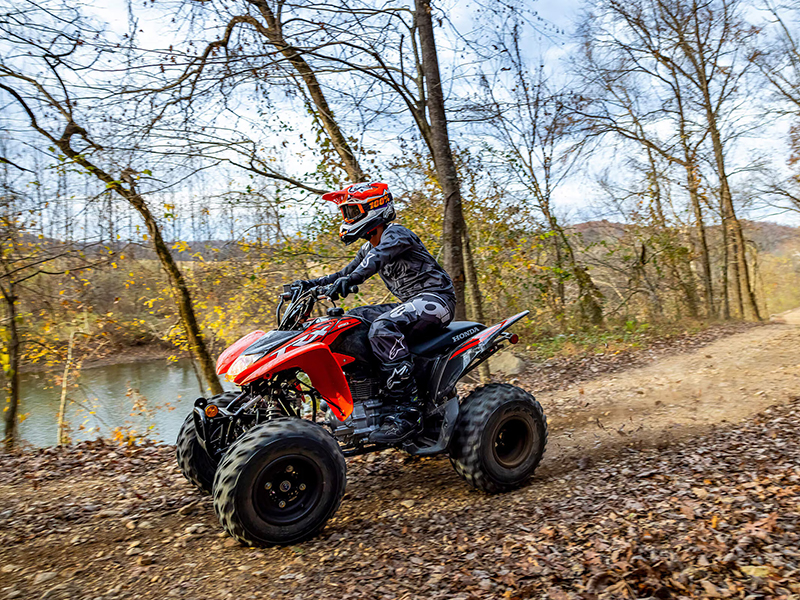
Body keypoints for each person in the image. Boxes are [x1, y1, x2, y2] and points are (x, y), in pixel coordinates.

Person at [294, 182, 456, 444]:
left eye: (352, 212)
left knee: (382, 327)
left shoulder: (397, 234)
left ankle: (408, 411)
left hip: (436, 302)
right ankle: (370, 393)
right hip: (412, 303)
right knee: (349, 322)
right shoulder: (368, 247)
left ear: (374, 209)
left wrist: (351, 280)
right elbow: (343, 274)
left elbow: (374, 262)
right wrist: (307, 287)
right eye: (345, 213)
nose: (348, 219)